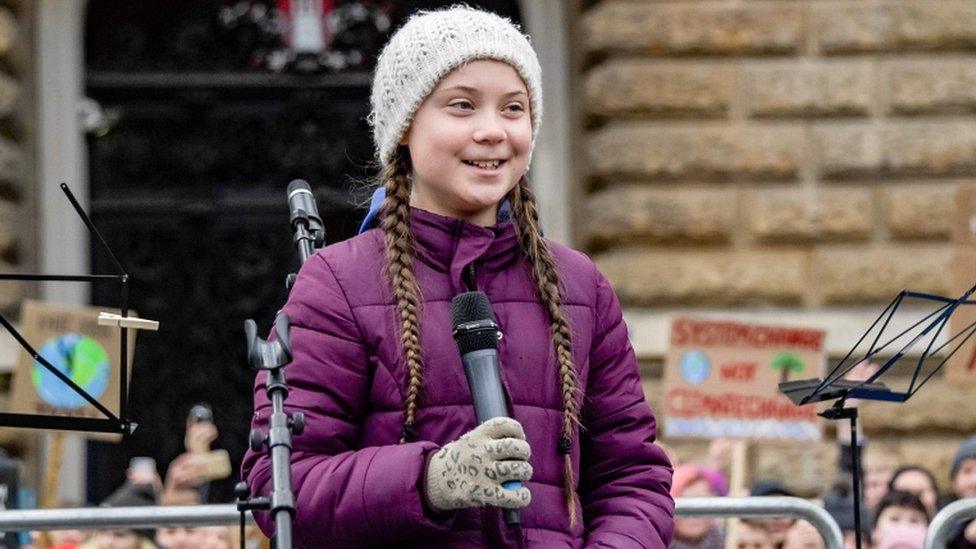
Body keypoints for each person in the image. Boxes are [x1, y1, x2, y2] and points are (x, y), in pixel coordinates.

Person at [241, 6, 674, 548]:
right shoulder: (337, 284)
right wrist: (430, 481)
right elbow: (280, 484)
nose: (492, 131)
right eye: (462, 106)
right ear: (405, 128)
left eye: (513, 109)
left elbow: (634, 479)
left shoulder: (580, 287)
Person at [669, 464, 727, 548]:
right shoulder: (652, 543)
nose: (693, 515)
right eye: (686, 504)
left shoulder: (731, 541)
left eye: (701, 503)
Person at [948, 434, 976, 548]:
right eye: (967, 471)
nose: (974, 480)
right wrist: (966, 542)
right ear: (954, 481)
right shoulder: (945, 521)